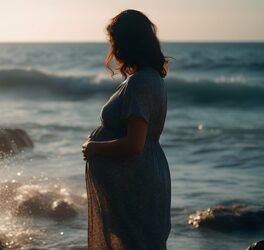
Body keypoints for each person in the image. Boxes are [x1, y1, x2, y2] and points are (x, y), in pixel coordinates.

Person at [81, 9, 171, 250]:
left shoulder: (140, 83)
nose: (114, 49)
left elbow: (134, 144)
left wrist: (94, 148)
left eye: (115, 41)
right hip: (145, 174)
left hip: (137, 181)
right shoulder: (152, 79)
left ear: (127, 43)